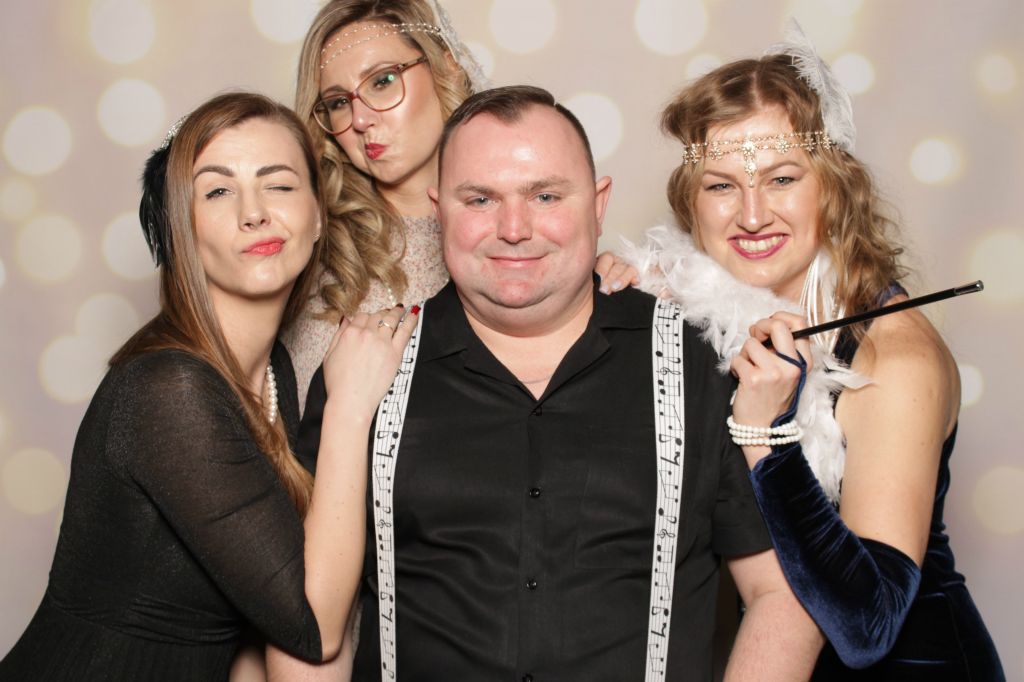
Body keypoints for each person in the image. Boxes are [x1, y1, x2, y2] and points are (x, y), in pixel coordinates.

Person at [278, 85, 822, 681]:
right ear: (439, 210)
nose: (514, 228)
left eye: (545, 196)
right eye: (480, 198)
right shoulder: (364, 369)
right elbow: (312, 626)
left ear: (598, 204)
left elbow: (781, 592)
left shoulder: (703, 361)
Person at [625, 24, 1005, 680]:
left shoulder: (896, 360)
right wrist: (613, 289)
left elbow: (867, 627)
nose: (752, 216)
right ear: (691, 202)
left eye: (781, 179)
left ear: (832, 186)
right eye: (721, 186)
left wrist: (765, 435)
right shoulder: (711, 313)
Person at [0, 92, 414, 681]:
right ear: (181, 229)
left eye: (279, 184)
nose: (254, 213)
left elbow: (255, 615)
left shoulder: (273, 369)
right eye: (218, 191)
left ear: (319, 216)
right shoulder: (169, 390)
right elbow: (313, 627)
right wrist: (350, 405)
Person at [283, 0, 635, 410]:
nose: (360, 119)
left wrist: (593, 286)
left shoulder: (535, 238)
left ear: (446, 67)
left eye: (382, 81)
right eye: (338, 102)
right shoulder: (313, 254)